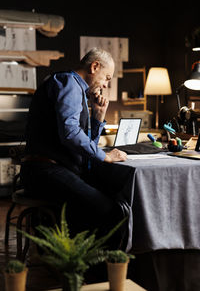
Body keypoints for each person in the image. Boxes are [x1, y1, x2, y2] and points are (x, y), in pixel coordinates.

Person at [20, 47, 128, 237]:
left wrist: (98, 116)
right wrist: (105, 156)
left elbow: (84, 147)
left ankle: (80, 257)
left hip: (53, 170)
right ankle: (92, 262)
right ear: (94, 66)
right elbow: (70, 134)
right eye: (107, 78)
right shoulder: (68, 83)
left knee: (111, 196)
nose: (105, 85)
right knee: (108, 208)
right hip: (43, 171)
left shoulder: (77, 90)